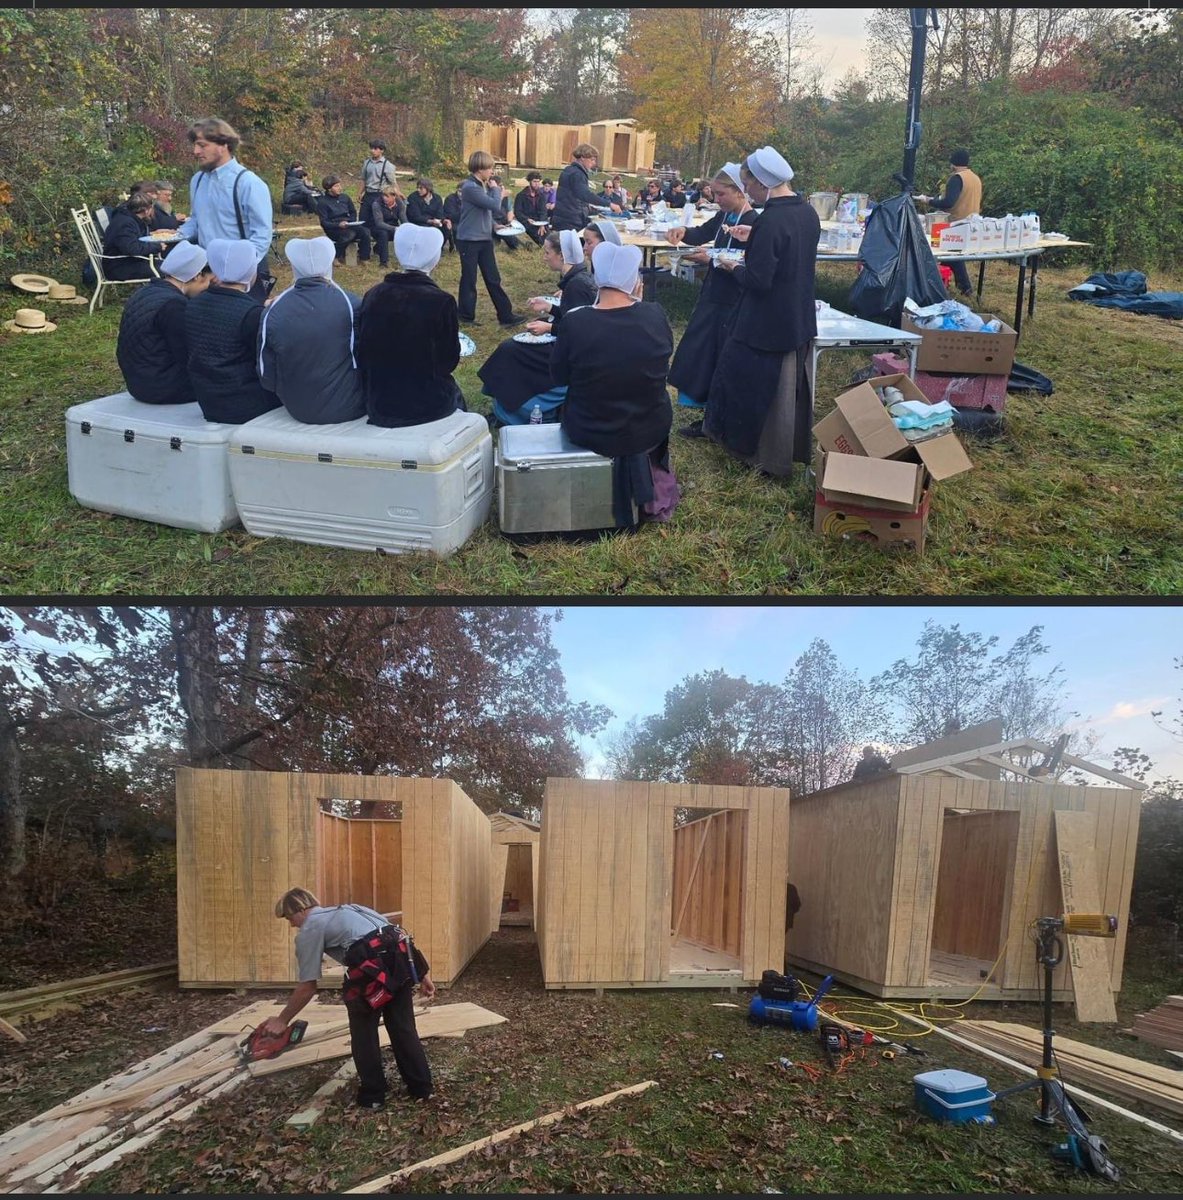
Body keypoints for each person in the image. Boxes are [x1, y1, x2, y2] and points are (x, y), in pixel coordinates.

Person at [696, 146, 820, 478]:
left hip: (767, 322)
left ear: (762, 182)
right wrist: (755, 236)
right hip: (798, 316)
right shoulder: (807, 213)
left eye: (748, 183)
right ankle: (786, 449)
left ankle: (763, 455)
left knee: (756, 388)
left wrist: (728, 265)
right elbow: (790, 250)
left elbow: (759, 280)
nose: (746, 190)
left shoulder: (772, 219)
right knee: (788, 391)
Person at [266, 888, 434, 1109]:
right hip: (400, 968)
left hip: (369, 975)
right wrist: (423, 975)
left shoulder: (309, 929)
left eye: (289, 918)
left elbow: (307, 986)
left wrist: (282, 1020)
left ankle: (373, 1096)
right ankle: (421, 1088)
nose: (292, 925)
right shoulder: (353, 909)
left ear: (300, 909)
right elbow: (398, 939)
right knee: (403, 1028)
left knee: (363, 1035)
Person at [552, 241, 679, 527]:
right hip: (650, 426)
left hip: (590, 427)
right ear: (635, 282)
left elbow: (558, 377)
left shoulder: (575, 322)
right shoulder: (655, 314)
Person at [478, 229, 597, 426]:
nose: (544, 258)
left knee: (510, 351)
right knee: (513, 349)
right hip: (569, 345)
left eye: (547, 253)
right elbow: (572, 315)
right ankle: (505, 406)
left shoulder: (577, 285)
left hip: (573, 355)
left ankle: (509, 410)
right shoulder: (576, 278)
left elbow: (578, 331)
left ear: (562, 255)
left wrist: (548, 328)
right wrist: (549, 306)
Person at [664, 163, 757, 409]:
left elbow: (747, 261)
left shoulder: (753, 222)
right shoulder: (725, 216)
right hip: (713, 294)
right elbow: (703, 232)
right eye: (714, 194)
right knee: (700, 351)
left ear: (739, 191)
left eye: (721, 194)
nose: (716, 199)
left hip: (732, 298)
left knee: (720, 355)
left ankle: (717, 408)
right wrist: (682, 231)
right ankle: (702, 403)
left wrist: (712, 259)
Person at [357, 223, 467, 427]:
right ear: (434, 259)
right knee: (456, 397)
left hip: (379, 401)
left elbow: (362, 352)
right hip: (425, 406)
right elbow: (448, 361)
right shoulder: (441, 301)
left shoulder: (373, 294)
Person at [257, 235, 365, 423]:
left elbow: (266, 373)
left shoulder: (273, 310)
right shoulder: (352, 304)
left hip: (297, 408)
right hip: (351, 406)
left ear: (293, 266)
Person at [176, 117, 276, 301]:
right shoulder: (197, 181)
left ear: (223, 145)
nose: (195, 151)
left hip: (243, 276)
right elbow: (197, 221)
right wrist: (176, 234)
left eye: (202, 145)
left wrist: (236, 272)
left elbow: (262, 235)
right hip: (207, 273)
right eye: (195, 145)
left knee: (246, 326)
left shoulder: (249, 183)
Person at [185, 238, 280, 424]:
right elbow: (268, 360)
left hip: (207, 398)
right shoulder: (251, 313)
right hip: (245, 403)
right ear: (250, 270)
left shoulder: (193, 303)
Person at [115, 241, 211, 406]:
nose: (207, 287)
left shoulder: (145, 291)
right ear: (197, 275)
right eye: (208, 280)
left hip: (137, 382)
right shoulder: (173, 306)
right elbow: (190, 356)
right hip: (163, 388)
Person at [455, 150, 526, 327]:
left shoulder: (481, 185)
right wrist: (497, 190)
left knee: (493, 278)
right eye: (490, 168)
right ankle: (465, 315)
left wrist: (494, 225)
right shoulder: (470, 187)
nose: (492, 172)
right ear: (480, 169)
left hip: (484, 238)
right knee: (469, 279)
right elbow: (494, 205)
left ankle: (506, 316)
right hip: (469, 240)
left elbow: (483, 210)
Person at [916, 148, 982, 298]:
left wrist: (929, 200)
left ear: (953, 163)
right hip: (973, 224)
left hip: (956, 224)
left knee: (946, 255)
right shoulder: (975, 178)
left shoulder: (956, 178)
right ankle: (963, 289)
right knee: (953, 257)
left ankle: (952, 288)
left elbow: (948, 202)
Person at [551, 142, 620, 232]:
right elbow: (585, 195)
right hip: (571, 220)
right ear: (582, 158)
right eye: (592, 160)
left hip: (563, 216)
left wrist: (588, 207)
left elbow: (573, 195)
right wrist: (609, 204)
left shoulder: (569, 170)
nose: (594, 163)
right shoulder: (577, 174)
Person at [102, 193, 165, 280]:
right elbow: (132, 248)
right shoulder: (125, 223)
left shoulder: (127, 218)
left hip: (126, 262)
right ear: (147, 210)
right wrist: (157, 246)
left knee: (168, 265)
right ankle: (159, 292)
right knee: (168, 268)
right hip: (120, 267)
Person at [317, 174, 372, 265]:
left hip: (349, 224)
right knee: (349, 234)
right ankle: (336, 256)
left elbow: (353, 211)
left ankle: (364, 257)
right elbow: (324, 222)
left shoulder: (345, 197)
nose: (340, 188)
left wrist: (352, 221)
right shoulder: (323, 202)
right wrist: (338, 225)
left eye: (340, 185)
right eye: (336, 186)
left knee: (365, 232)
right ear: (329, 188)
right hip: (334, 228)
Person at [359, 138, 403, 229]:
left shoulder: (387, 165)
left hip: (379, 194)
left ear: (381, 150)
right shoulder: (367, 163)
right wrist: (360, 192)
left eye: (375, 149)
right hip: (368, 193)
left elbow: (393, 182)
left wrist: (398, 193)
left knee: (377, 219)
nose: (373, 151)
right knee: (363, 219)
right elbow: (363, 179)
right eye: (372, 148)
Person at [407, 178, 453, 251]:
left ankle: (438, 248)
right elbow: (415, 216)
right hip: (419, 222)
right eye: (417, 188)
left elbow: (440, 213)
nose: (418, 190)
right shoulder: (413, 197)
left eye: (421, 188)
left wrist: (444, 220)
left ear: (428, 189)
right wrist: (430, 221)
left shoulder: (437, 198)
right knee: (427, 228)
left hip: (434, 220)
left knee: (446, 228)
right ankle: (425, 249)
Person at [367, 185, 404, 268]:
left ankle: (406, 260)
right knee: (383, 234)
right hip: (377, 227)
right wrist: (394, 228)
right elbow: (379, 223)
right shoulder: (376, 204)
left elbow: (403, 218)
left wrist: (406, 228)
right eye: (383, 195)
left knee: (404, 234)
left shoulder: (399, 203)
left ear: (394, 196)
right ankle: (383, 262)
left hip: (393, 226)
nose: (384, 198)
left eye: (387, 196)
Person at [513, 172, 550, 246]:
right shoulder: (521, 196)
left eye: (538, 181)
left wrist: (542, 224)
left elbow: (543, 211)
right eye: (534, 181)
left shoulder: (541, 195)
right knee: (537, 237)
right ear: (529, 181)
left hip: (539, 221)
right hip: (527, 222)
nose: (536, 184)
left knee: (547, 236)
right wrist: (527, 219)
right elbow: (518, 212)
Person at [490, 174, 520, 251]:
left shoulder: (506, 196)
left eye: (502, 185)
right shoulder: (488, 196)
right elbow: (489, 212)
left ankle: (520, 246)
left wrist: (510, 221)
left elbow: (510, 209)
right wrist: (501, 196)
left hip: (503, 221)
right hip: (492, 223)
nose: (502, 188)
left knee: (511, 237)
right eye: (499, 186)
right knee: (493, 246)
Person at [441, 181, 463, 251]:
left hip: (467, 221)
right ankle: (455, 245)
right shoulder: (450, 199)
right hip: (453, 222)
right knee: (456, 228)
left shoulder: (471, 199)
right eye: (459, 191)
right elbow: (450, 215)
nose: (461, 194)